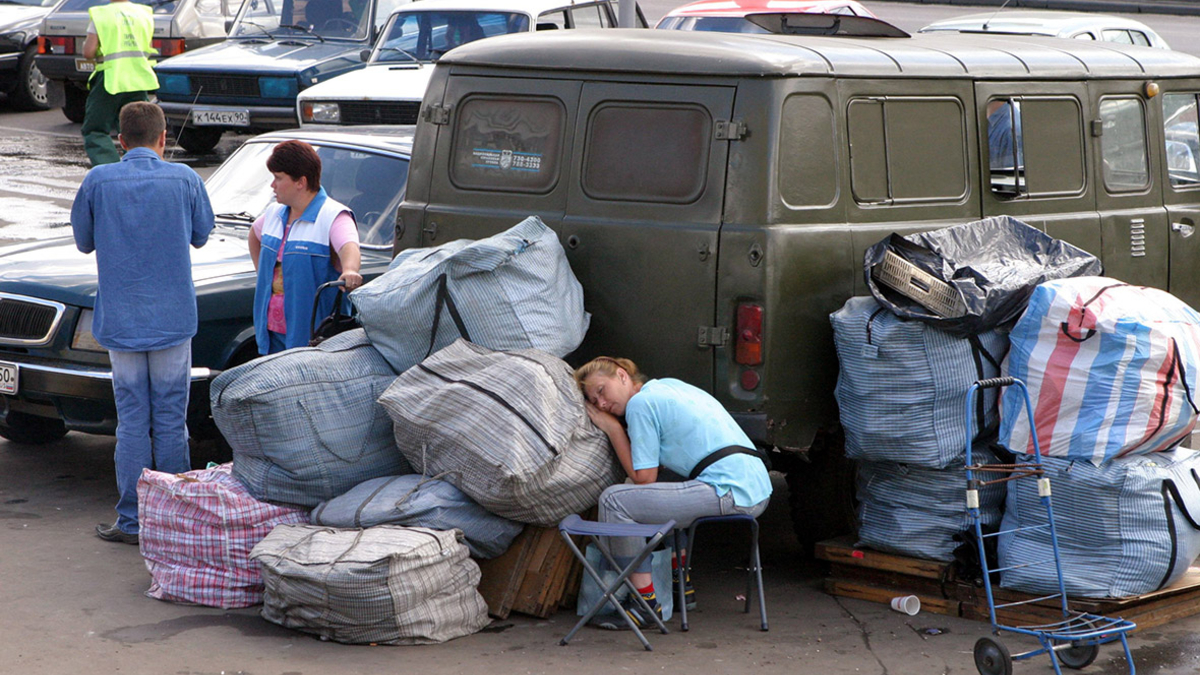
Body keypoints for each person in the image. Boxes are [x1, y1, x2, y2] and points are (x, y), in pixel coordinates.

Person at [70, 101, 214, 544]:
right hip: (172, 319)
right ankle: (171, 522)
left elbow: (83, 242)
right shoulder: (186, 178)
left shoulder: (98, 180)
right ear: (163, 138)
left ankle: (132, 521)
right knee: (171, 420)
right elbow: (202, 234)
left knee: (131, 421)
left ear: (120, 141)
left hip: (122, 322)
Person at [575, 356, 773, 630]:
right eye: (594, 402)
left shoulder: (640, 405)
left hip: (728, 491)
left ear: (622, 376)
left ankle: (644, 605)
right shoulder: (669, 386)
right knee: (665, 484)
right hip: (755, 486)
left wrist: (612, 429)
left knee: (615, 500)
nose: (602, 404)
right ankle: (681, 584)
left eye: (601, 391)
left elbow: (644, 478)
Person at [248, 140, 364, 355]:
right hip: (271, 333)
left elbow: (349, 246)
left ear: (300, 182)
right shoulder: (275, 213)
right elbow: (255, 235)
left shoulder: (332, 215)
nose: (272, 185)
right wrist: (264, 278)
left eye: (278, 178)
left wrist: (349, 270)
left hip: (313, 341)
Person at [80, 0, 159, 167]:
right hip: (138, 78)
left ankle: (110, 168)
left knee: (95, 129)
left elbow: (88, 52)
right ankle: (141, 167)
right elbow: (148, 46)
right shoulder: (144, 14)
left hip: (111, 79)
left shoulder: (102, 15)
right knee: (138, 130)